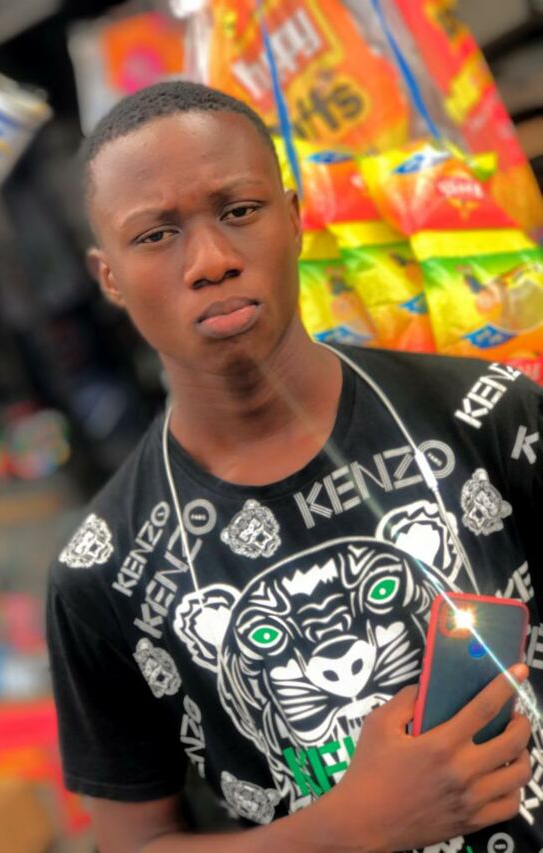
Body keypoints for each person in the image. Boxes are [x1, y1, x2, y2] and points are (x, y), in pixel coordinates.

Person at [46, 81, 542, 852]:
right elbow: (133, 843)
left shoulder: (490, 417)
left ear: (295, 217)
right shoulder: (99, 575)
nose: (211, 261)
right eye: (156, 234)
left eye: (239, 210)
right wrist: (348, 827)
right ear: (108, 275)